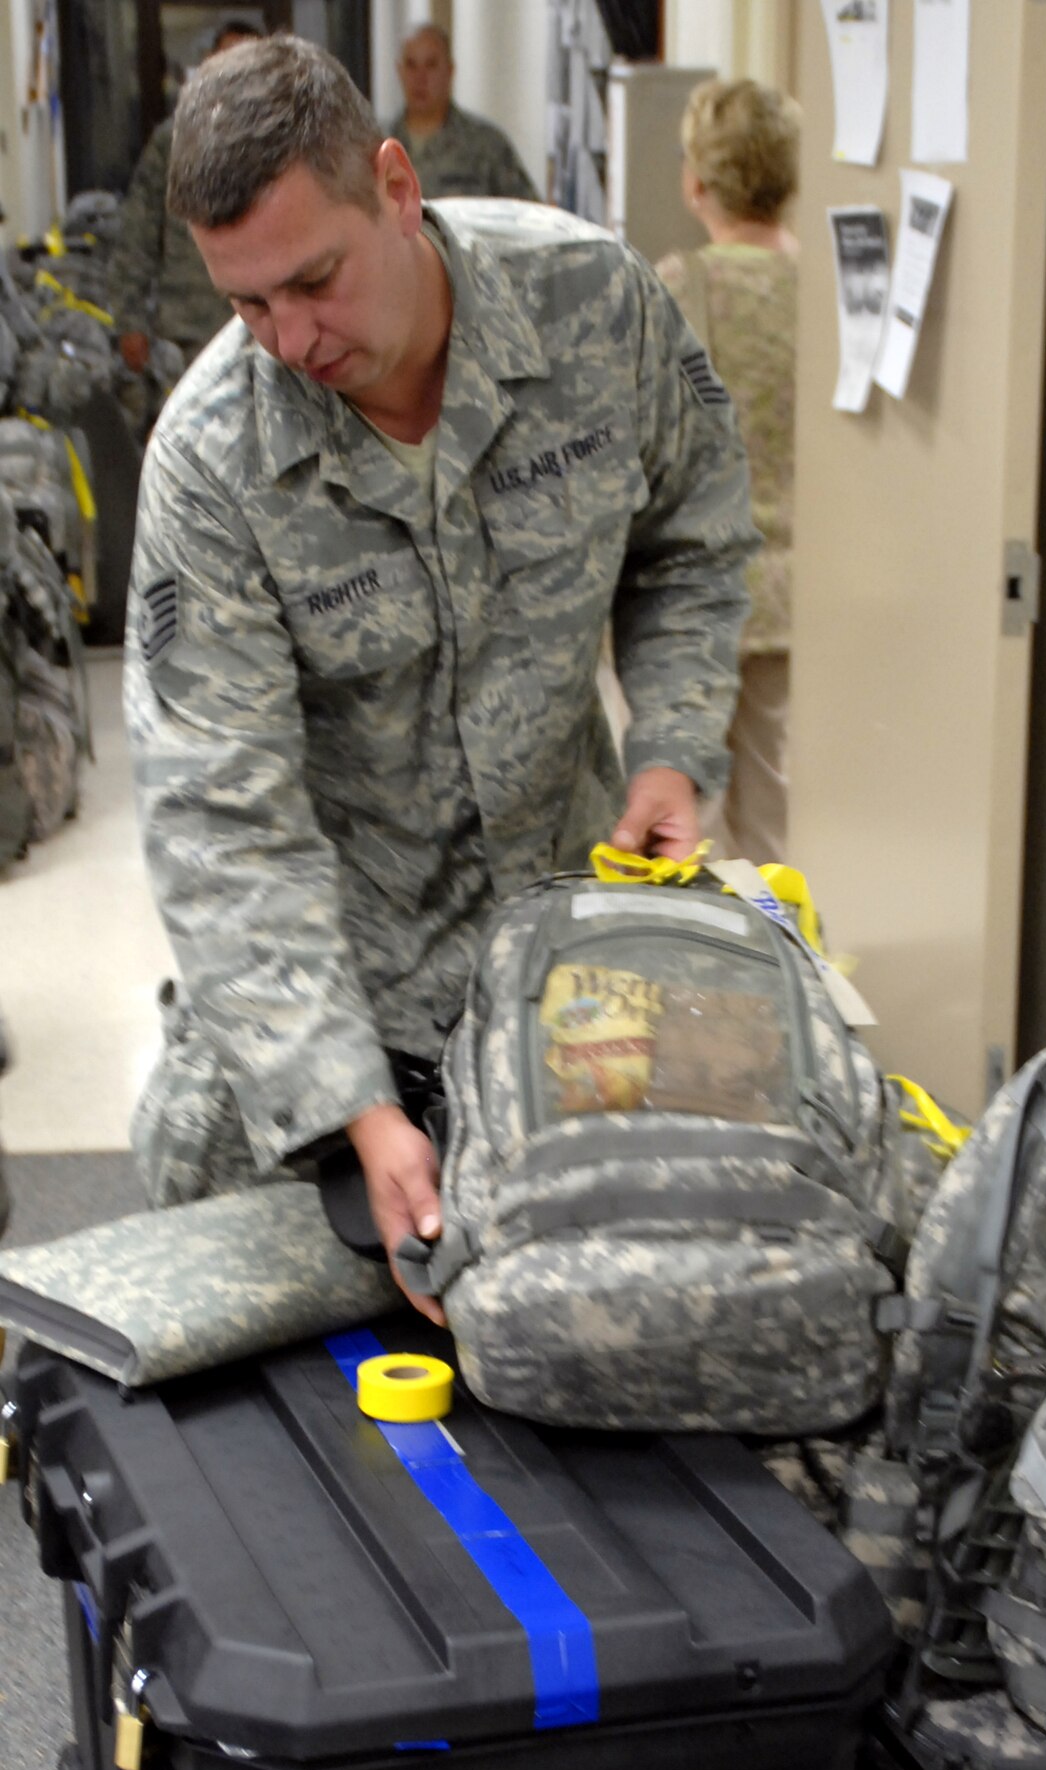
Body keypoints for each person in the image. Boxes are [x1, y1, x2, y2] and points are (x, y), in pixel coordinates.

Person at [124, 35, 755, 1321]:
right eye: (247, 304)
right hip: (339, 975)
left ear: (396, 188)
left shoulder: (594, 304)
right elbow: (220, 816)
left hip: (553, 955)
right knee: (208, 1265)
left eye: (313, 280)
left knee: (649, 1311)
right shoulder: (212, 461)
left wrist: (673, 748)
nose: (290, 338)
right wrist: (352, 1104)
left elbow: (694, 538)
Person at [657, 78, 799, 866]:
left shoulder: (678, 287)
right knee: (780, 828)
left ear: (696, 181)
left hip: (697, 599)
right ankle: (788, 969)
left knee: (690, 832)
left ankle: (710, 983)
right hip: (795, 597)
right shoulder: (830, 293)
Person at [109, 19, 264, 377]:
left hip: (264, 329)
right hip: (185, 336)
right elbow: (138, 236)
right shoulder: (174, 143)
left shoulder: (283, 148)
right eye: (227, 61)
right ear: (209, 64)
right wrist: (129, 320)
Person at [390, 23, 538, 202]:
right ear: (399, 71)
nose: (420, 78)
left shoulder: (487, 146)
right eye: (411, 65)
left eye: (431, 65)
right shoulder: (376, 143)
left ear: (450, 71)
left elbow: (527, 213)